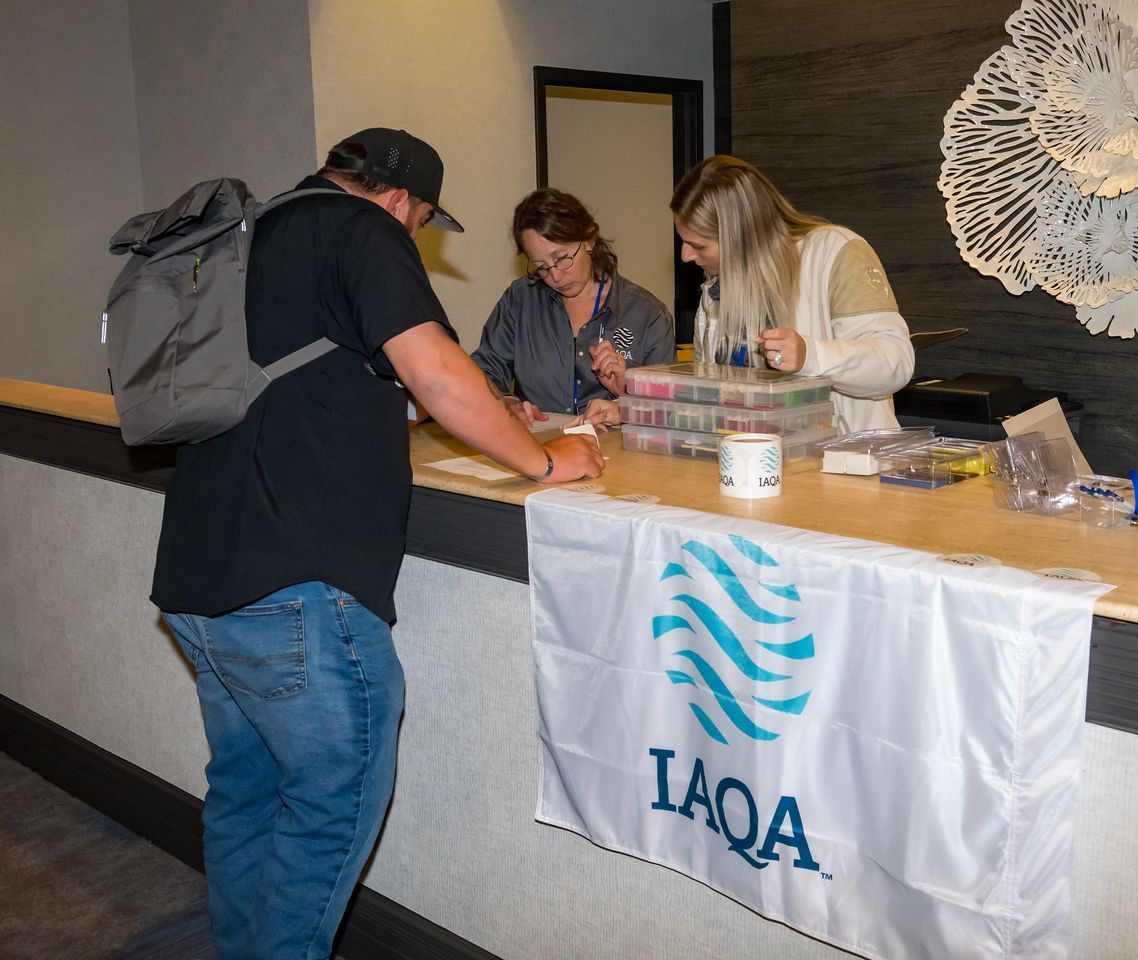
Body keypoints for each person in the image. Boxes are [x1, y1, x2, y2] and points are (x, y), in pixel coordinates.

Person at [149, 128, 603, 960]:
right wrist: (545, 457)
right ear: (400, 200)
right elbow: (431, 369)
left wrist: (485, 410)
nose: (417, 236)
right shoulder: (362, 230)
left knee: (246, 792)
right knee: (327, 811)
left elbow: (365, 384)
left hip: (196, 575)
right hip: (295, 585)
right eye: (423, 221)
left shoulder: (252, 232)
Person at [670, 155, 915, 434]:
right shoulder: (716, 288)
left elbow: (895, 362)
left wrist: (810, 355)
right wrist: (633, 402)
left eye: (697, 245)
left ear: (741, 237)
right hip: (754, 463)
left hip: (845, 466)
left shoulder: (835, 252)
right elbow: (711, 394)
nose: (685, 255)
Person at [472, 188, 675, 427]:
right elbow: (485, 371)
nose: (556, 276)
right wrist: (507, 403)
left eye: (561, 258)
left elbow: (667, 410)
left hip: (618, 455)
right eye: (541, 267)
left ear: (589, 239)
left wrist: (627, 396)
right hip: (539, 449)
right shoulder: (520, 301)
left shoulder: (647, 314)